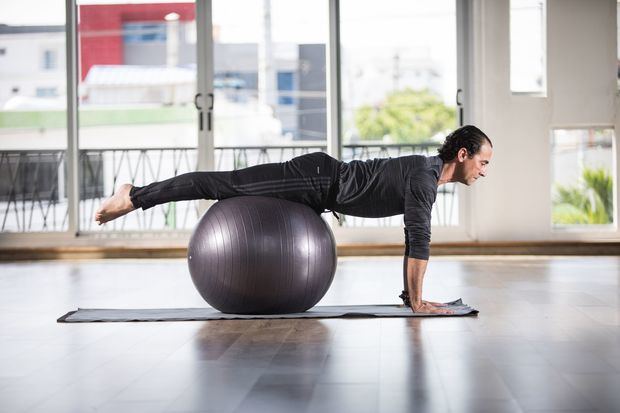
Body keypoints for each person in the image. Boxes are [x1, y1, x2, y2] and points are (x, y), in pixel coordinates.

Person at [95, 124, 493, 315]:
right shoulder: (424, 178)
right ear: (462, 155)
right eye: (483, 162)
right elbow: (419, 240)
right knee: (223, 185)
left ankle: (135, 195)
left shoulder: (425, 174)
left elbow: (413, 240)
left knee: (224, 185)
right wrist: (419, 302)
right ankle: (134, 196)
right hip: (315, 179)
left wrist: (413, 298)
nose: (484, 170)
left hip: (318, 190)